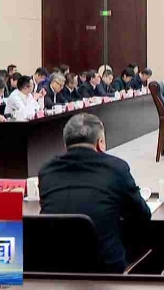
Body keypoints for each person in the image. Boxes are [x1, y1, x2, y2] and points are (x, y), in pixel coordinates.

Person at [39, 113, 151, 273]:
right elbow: (142, 215)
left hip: (53, 269)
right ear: (100, 143)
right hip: (106, 272)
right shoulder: (116, 168)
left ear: (65, 145)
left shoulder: (47, 170)